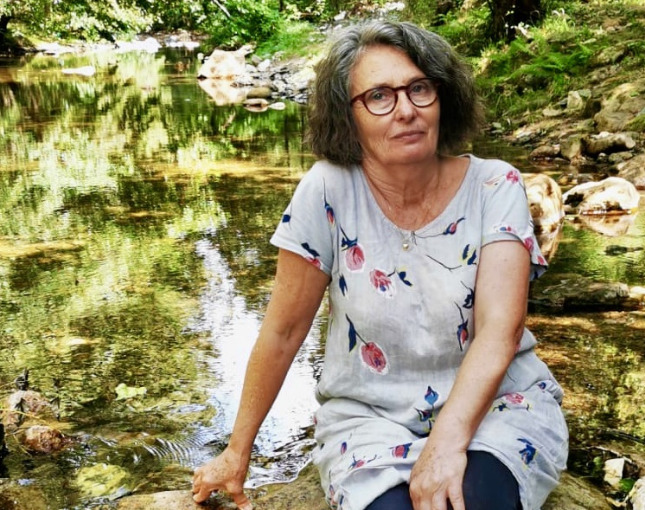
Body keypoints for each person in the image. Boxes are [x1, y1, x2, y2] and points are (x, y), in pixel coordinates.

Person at [191, 19, 568, 510]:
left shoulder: (496, 186)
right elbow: (283, 331)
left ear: (444, 95)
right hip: (369, 419)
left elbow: (500, 331)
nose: (406, 110)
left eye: (419, 88)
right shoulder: (327, 190)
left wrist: (445, 447)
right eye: (379, 97)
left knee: (472, 502)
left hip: (496, 405)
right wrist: (236, 452)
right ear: (347, 117)